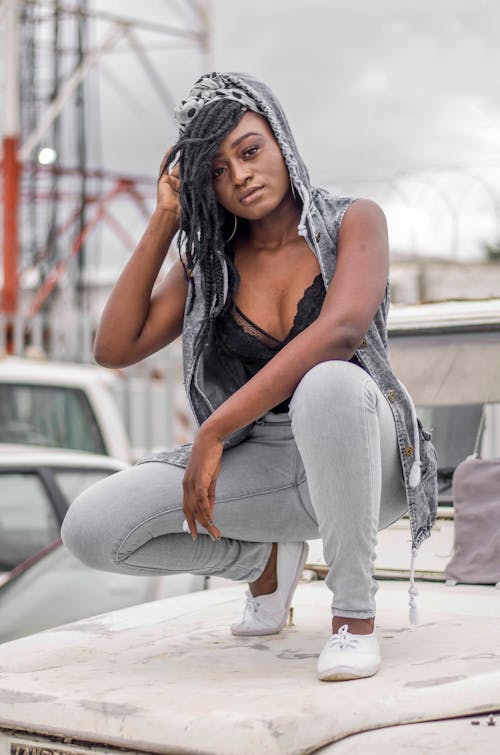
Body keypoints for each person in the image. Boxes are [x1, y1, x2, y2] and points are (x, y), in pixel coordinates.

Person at [61, 72, 438, 682]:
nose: (239, 175)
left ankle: (352, 617)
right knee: (93, 529)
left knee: (329, 381)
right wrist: (165, 219)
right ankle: (261, 561)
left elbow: (340, 332)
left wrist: (212, 432)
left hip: (367, 463)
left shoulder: (352, 221)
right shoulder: (210, 262)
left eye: (249, 151)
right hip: (263, 466)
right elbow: (114, 347)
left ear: (280, 140)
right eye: (215, 170)